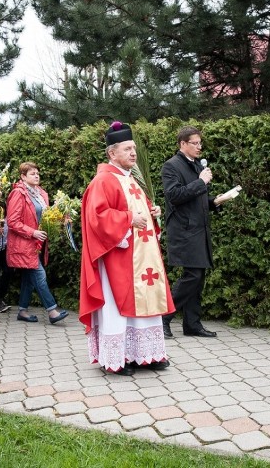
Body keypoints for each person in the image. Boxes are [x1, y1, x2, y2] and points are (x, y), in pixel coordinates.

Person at [79, 121, 173, 376]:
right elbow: (96, 217)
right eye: (128, 149)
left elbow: (138, 211)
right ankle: (117, 358)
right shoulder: (104, 181)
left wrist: (153, 212)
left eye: (134, 148)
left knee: (145, 301)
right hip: (118, 258)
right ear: (112, 153)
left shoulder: (130, 179)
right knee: (116, 306)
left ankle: (145, 355)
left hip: (141, 259)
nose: (134, 153)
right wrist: (128, 219)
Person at [161, 126, 220, 339]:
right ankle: (164, 317)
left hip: (198, 230)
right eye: (194, 143)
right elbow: (175, 195)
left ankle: (192, 324)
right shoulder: (171, 166)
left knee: (198, 276)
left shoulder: (196, 166)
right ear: (182, 144)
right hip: (184, 230)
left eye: (200, 143)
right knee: (192, 275)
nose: (199, 147)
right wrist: (201, 181)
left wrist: (215, 201)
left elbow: (195, 199)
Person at [5, 162, 68, 324]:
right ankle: (52, 311)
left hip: (38, 244)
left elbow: (46, 216)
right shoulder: (18, 193)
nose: (36, 175)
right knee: (39, 274)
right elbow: (12, 221)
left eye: (37, 173)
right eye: (32, 173)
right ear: (23, 177)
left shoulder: (41, 193)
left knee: (28, 276)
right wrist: (32, 232)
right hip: (24, 243)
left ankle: (22, 311)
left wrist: (62, 218)